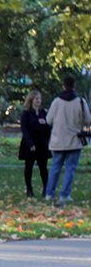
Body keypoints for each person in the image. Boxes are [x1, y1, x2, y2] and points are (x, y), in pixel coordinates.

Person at [44, 76, 91, 205]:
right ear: (74, 86)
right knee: (70, 168)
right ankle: (65, 194)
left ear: (63, 86)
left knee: (55, 167)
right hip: (74, 141)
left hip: (58, 140)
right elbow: (88, 120)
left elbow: (48, 120)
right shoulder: (81, 102)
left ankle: (49, 193)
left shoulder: (56, 102)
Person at [18, 90, 51, 197]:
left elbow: (48, 130)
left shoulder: (43, 113)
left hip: (42, 143)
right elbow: (24, 129)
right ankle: (29, 189)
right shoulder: (26, 114)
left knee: (43, 167)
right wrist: (30, 143)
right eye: (36, 99)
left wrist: (45, 124)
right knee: (29, 167)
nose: (38, 101)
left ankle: (46, 188)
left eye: (40, 99)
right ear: (31, 100)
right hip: (30, 144)